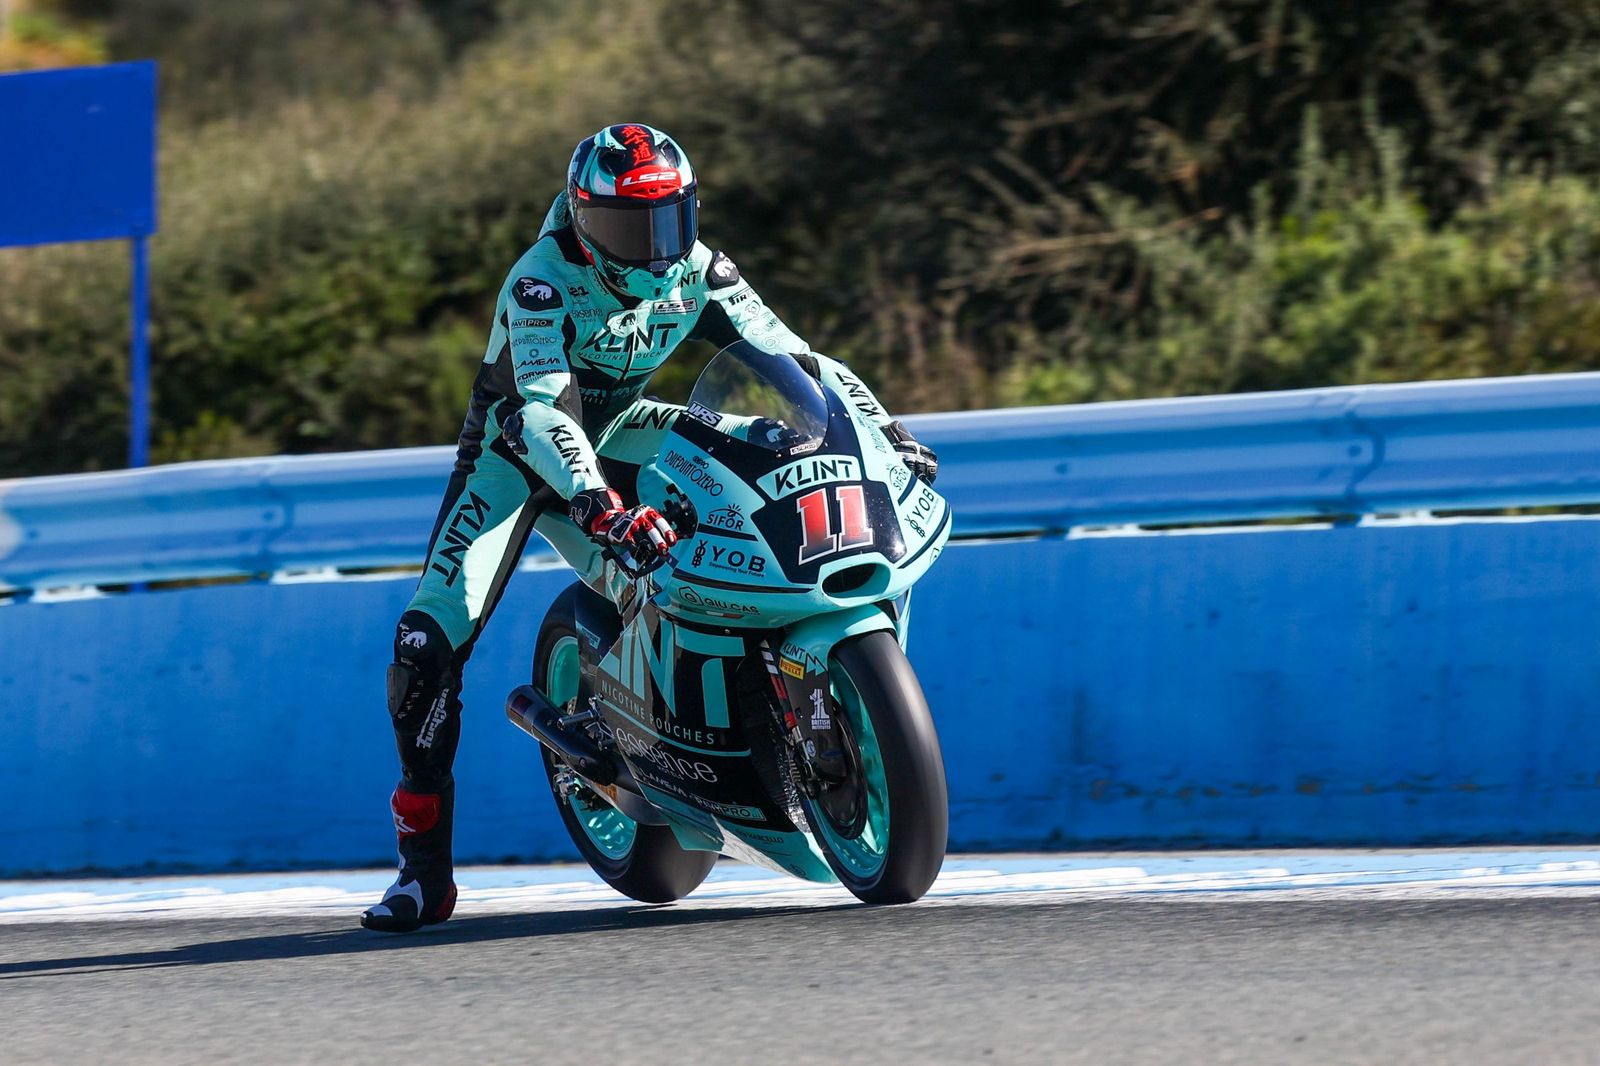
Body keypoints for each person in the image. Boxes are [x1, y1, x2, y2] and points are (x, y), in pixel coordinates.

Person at [361, 123, 938, 932]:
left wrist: (883, 433)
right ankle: (422, 877)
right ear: (582, 216)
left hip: (623, 423)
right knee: (424, 646)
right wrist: (601, 504)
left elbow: (796, 361)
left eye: (668, 222)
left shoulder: (699, 268)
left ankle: (704, 709)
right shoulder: (541, 281)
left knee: (758, 449)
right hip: (517, 451)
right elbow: (541, 407)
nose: (653, 249)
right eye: (630, 228)